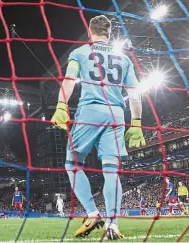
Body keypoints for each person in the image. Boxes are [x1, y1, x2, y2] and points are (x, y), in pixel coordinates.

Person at [51, 15, 144, 240]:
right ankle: (113, 225)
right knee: (111, 170)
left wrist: (61, 105)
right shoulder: (124, 58)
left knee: (72, 163)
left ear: (89, 31)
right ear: (109, 33)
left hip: (91, 110)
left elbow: (69, 80)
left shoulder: (81, 52)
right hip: (116, 115)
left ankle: (93, 213)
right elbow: (134, 94)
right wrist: (137, 123)